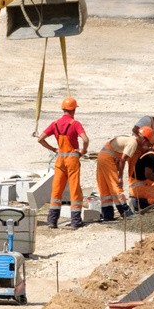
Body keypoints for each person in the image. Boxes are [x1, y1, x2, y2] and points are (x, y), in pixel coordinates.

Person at [38, 96, 90, 229]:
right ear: (73, 110)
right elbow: (85, 139)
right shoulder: (75, 124)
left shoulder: (55, 123)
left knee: (56, 190)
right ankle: (75, 221)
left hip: (60, 159)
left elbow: (40, 139)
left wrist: (54, 149)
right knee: (74, 189)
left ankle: (52, 221)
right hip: (72, 159)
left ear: (63, 109)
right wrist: (83, 151)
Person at [95, 127, 149, 222]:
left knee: (105, 188)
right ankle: (125, 211)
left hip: (102, 156)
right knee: (115, 185)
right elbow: (123, 159)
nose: (145, 145)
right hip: (108, 159)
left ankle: (107, 214)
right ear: (144, 139)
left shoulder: (130, 139)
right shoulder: (133, 143)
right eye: (146, 143)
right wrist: (120, 177)